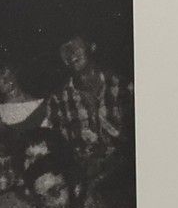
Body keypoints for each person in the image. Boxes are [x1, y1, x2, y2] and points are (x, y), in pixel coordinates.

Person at [49, 32, 125, 193]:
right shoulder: (57, 100)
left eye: (75, 47)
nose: (70, 54)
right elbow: (60, 152)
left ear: (92, 47)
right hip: (87, 185)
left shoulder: (121, 85)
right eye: (64, 50)